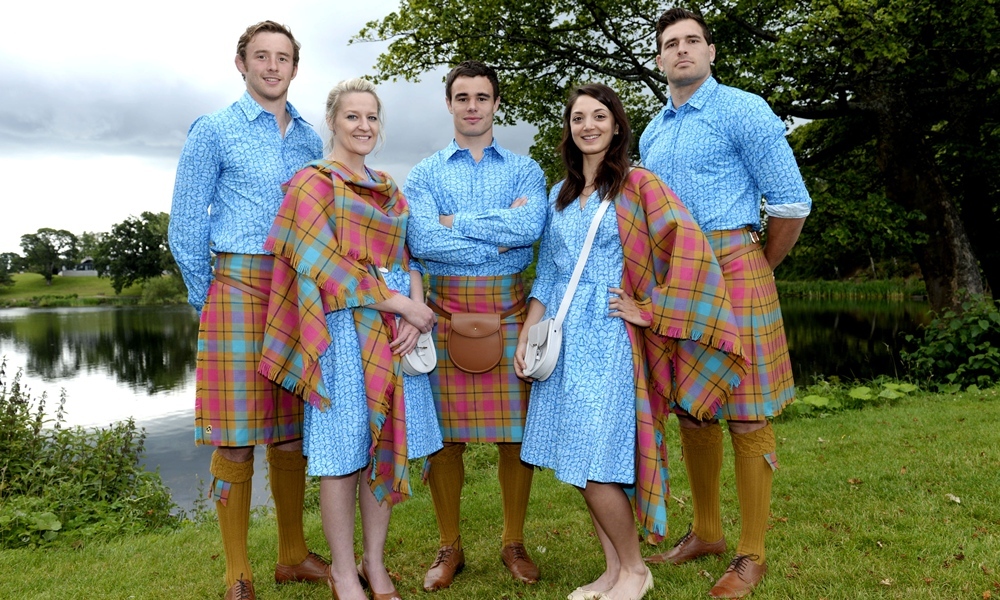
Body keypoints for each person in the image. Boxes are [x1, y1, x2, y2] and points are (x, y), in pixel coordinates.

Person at [515, 83, 747, 600]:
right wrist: (531, 333)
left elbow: (692, 252)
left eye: (600, 116)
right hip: (565, 336)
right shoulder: (560, 195)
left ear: (618, 125)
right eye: (579, 118)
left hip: (611, 336)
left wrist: (651, 309)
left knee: (597, 459)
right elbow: (551, 274)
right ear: (569, 130)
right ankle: (612, 569)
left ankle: (636, 570)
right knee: (580, 461)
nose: (589, 125)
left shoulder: (640, 185)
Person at [639, 8, 813, 598]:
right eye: (670, 44)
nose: (681, 51)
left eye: (692, 41)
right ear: (660, 59)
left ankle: (752, 554)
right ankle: (708, 532)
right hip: (675, 276)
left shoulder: (744, 109)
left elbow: (790, 204)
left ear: (710, 51)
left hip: (735, 261)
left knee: (747, 411)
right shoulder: (652, 131)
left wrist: (757, 266)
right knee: (693, 404)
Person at [258, 78, 442, 600]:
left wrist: (414, 310)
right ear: (332, 122)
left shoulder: (390, 188)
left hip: (392, 332)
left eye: (372, 118)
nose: (364, 126)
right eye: (352, 117)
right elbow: (320, 263)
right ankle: (342, 571)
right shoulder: (311, 183)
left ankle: (374, 562)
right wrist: (401, 304)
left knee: (384, 441)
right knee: (341, 455)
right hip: (338, 330)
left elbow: (407, 260)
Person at [168, 20, 327, 600]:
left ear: (293, 67)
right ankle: (237, 573)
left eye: (282, 57)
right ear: (242, 63)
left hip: (297, 291)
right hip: (235, 288)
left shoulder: (313, 140)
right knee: (234, 438)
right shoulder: (213, 130)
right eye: (261, 56)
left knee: (290, 434)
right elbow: (185, 223)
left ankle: (292, 554)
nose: (272, 66)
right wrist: (206, 298)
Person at [403, 60, 548, 592]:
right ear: (449, 104)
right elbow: (423, 243)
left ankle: (514, 542)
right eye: (462, 97)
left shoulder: (526, 171)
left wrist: (452, 222)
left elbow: (530, 228)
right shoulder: (423, 174)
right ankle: (450, 546)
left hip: (509, 310)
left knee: (516, 439)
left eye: (481, 97)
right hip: (442, 313)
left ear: (495, 104)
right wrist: (496, 231)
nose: (472, 106)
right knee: (445, 441)